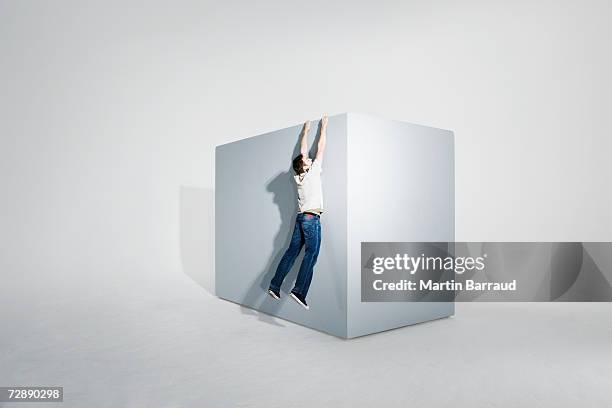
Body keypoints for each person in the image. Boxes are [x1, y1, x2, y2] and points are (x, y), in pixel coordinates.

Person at [268, 115, 328, 310]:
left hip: (301, 218)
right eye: (307, 160)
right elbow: (320, 148)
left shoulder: (298, 177)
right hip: (311, 218)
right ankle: (299, 291)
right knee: (311, 253)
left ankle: (275, 286)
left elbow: (303, 151)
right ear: (304, 165)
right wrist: (324, 129)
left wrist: (305, 132)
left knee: (292, 252)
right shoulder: (313, 171)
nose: (310, 158)